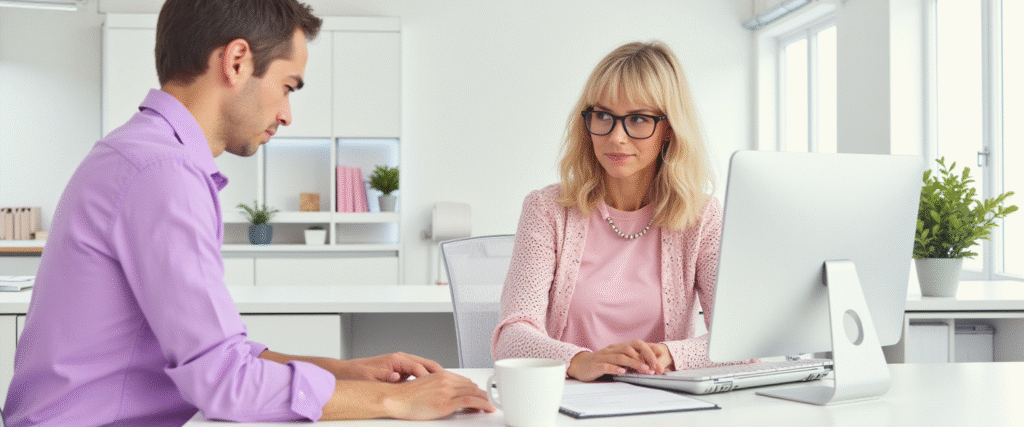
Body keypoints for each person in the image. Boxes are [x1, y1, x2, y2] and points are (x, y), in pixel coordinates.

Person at [2, 0, 493, 425]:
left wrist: (343, 372)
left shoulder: (144, 156)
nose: (287, 114)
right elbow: (224, 382)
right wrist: (392, 400)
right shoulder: (162, 173)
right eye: (288, 86)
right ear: (236, 61)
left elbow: (213, 359)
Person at [492, 40, 746, 382]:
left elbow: (740, 341)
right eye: (604, 116)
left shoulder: (701, 217)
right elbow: (512, 334)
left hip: (662, 402)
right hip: (569, 398)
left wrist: (672, 355)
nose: (616, 137)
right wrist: (580, 360)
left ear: (669, 128)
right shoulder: (547, 210)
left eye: (638, 120)